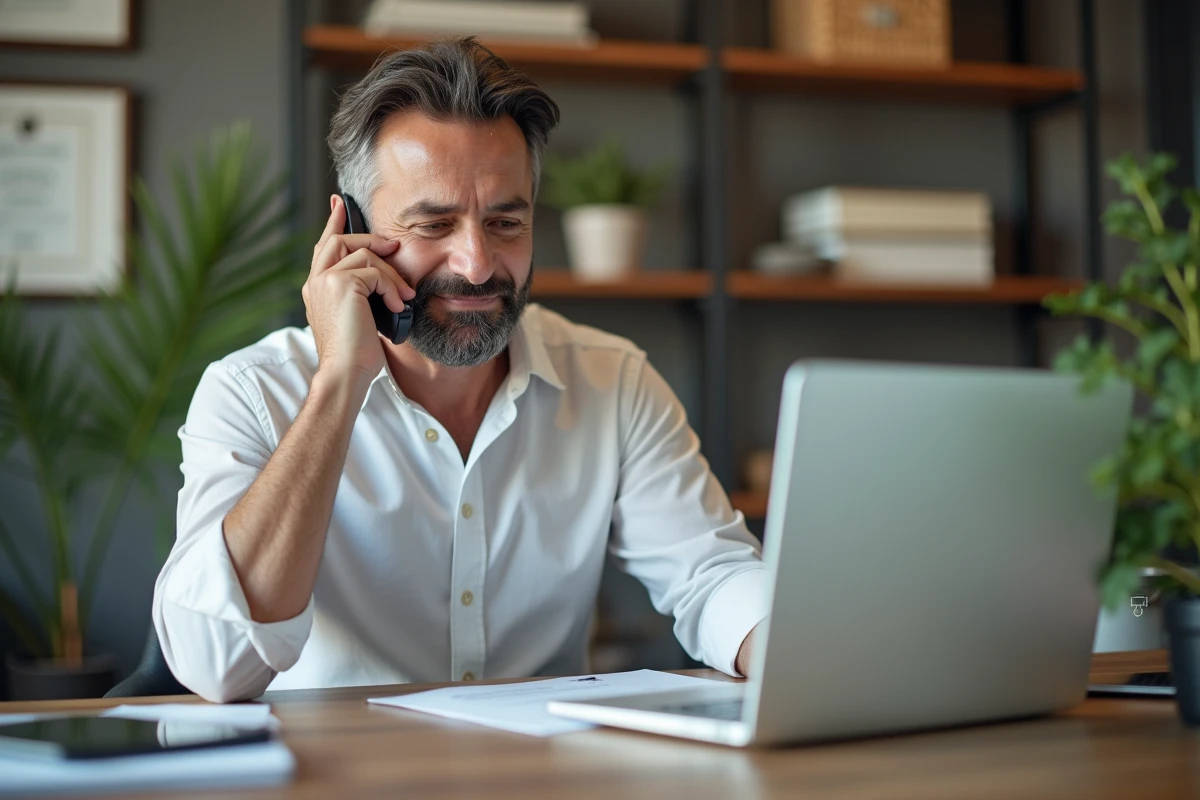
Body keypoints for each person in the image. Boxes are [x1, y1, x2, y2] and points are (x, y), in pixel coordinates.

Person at [153, 37, 768, 703]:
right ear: (352, 230)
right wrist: (339, 380)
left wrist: (796, 654)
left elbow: (709, 574)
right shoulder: (251, 392)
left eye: (505, 222)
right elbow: (214, 666)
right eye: (433, 224)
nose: (476, 264)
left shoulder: (611, 381)